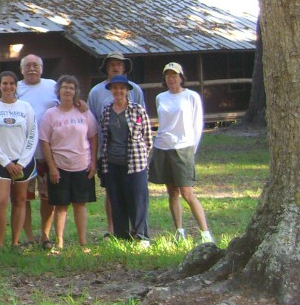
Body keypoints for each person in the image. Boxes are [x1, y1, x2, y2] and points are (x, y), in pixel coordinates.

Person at [149, 62, 214, 244]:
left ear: (181, 77)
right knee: (172, 192)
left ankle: (205, 233)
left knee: (187, 192)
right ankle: (179, 230)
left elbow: (197, 124)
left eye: (174, 75)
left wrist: (192, 149)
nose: (171, 79)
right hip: (163, 146)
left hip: (183, 147)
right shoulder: (160, 97)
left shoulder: (191, 96)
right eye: (168, 76)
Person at [87, 51, 145, 238]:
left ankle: (139, 232)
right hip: (108, 154)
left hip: (133, 156)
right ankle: (114, 229)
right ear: (106, 68)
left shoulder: (135, 90)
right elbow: (92, 122)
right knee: (113, 193)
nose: (115, 66)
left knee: (134, 195)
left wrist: (143, 151)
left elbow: (144, 127)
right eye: (112, 63)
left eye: (119, 64)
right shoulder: (96, 93)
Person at [38, 76, 98, 253]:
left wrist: (93, 161)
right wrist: (52, 167)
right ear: (59, 91)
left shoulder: (84, 112)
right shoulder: (50, 115)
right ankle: (60, 241)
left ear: (76, 91)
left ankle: (82, 241)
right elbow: (44, 142)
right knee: (61, 205)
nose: (68, 90)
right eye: (65, 87)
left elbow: (93, 137)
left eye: (72, 88)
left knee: (80, 204)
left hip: (82, 165)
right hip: (60, 166)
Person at [0, 71, 38, 249]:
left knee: (20, 201)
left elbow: (33, 134)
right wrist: (6, 162)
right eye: (4, 83)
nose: (8, 87)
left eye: (11, 84)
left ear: (16, 86)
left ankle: (15, 242)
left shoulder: (26, 107)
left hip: (23, 162)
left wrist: (21, 162)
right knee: (0, 202)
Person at [99, 74, 153, 246]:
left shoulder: (137, 110)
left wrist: (142, 157)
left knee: (138, 200)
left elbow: (147, 138)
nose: (118, 91)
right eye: (115, 88)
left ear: (127, 90)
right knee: (117, 199)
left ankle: (142, 236)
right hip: (113, 163)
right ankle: (122, 235)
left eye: (122, 88)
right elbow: (105, 136)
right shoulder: (107, 111)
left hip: (135, 163)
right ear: (111, 90)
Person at [16, 54, 58, 247]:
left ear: (42, 68)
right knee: (23, 197)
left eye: (35, 65)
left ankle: (45, 235)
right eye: (28, 66)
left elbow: (68, 102)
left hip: (48, 153)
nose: (32, 69)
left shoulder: (53, 85)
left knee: (47, 197)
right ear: (21, 69)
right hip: (23, 155)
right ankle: (28, 236)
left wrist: (79, 104)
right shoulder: (15, 88)